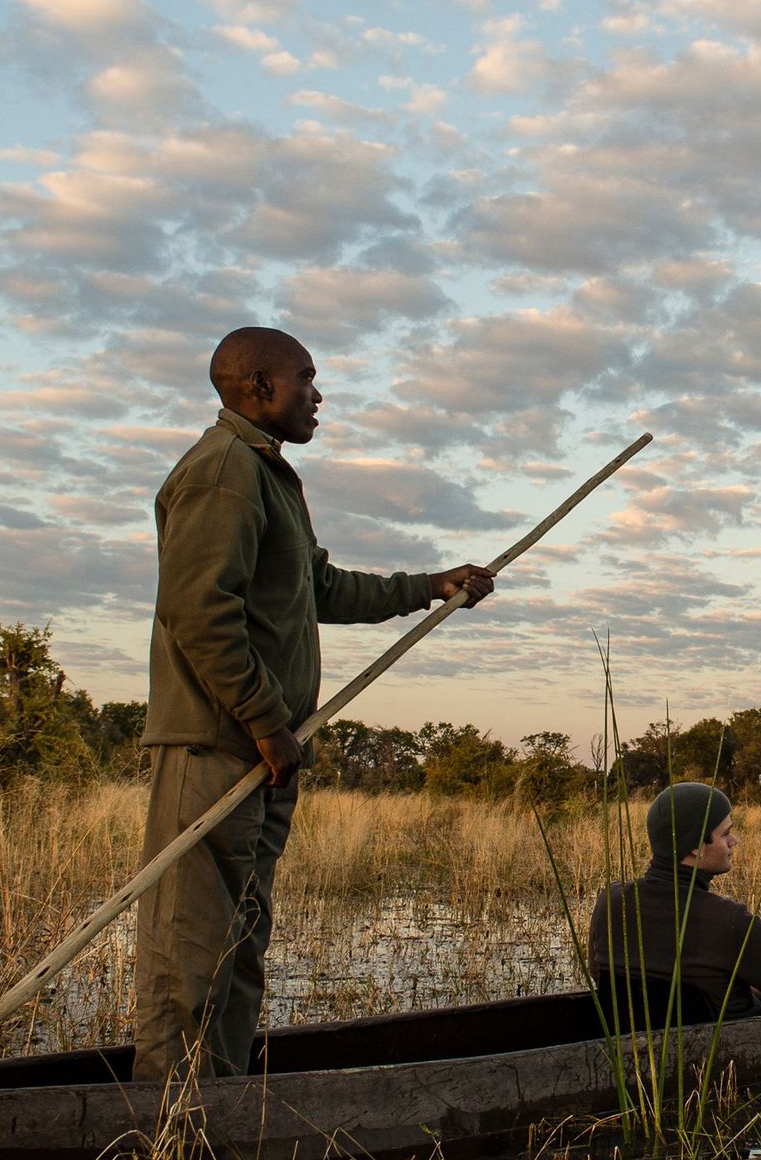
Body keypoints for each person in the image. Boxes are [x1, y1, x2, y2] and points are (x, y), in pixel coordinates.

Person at [136, 325, 499, 1083]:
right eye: (305, 379)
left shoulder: (268, 477)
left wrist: (430, 587)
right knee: (190, 954)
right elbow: (199, 611)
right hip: (216, 747)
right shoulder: (223, 471)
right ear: (259, 387)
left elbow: (320, 587)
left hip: (260, 754)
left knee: (238, 948)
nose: (318, 395)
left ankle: (220, 1116)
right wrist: (267, 722)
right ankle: (169, 1127)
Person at [587, 782, 761, 1028]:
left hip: (634, 1050)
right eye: (725, 834)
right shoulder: (729, 921)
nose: (733, 841)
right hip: (727, 1056)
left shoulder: (610, 900)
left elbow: (599, 974)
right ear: (695, 847)